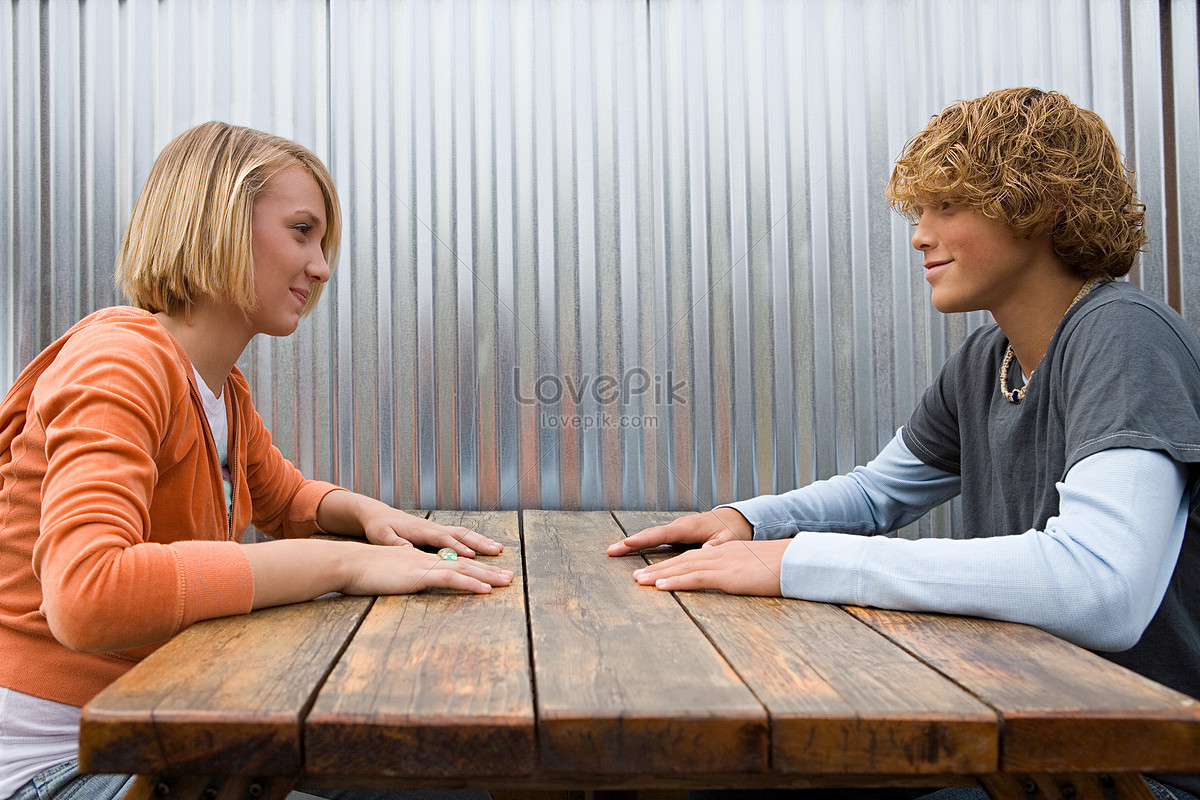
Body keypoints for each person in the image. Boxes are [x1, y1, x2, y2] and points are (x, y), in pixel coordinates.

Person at [608, 88, 1200, 800]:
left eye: (946, 206)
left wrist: (802, 561)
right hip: (1017, 739)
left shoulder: (1123, 337)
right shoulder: (990, 359)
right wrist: (749, 521)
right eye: (919, 211)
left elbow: (1101, 586)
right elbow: (877, 493)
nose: (919, 234)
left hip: (1134, 771)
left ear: (1037, 205)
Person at [0, 121, 511, 800]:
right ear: (218, 221)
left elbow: (284, 499)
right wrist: (344, 562)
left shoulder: (220, 389)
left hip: (165, 736)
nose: (322, 265)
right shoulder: (120, 364)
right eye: (302, 231)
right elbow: (87, 593)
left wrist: (370, 518)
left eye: (322, 242)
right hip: (61, 767)